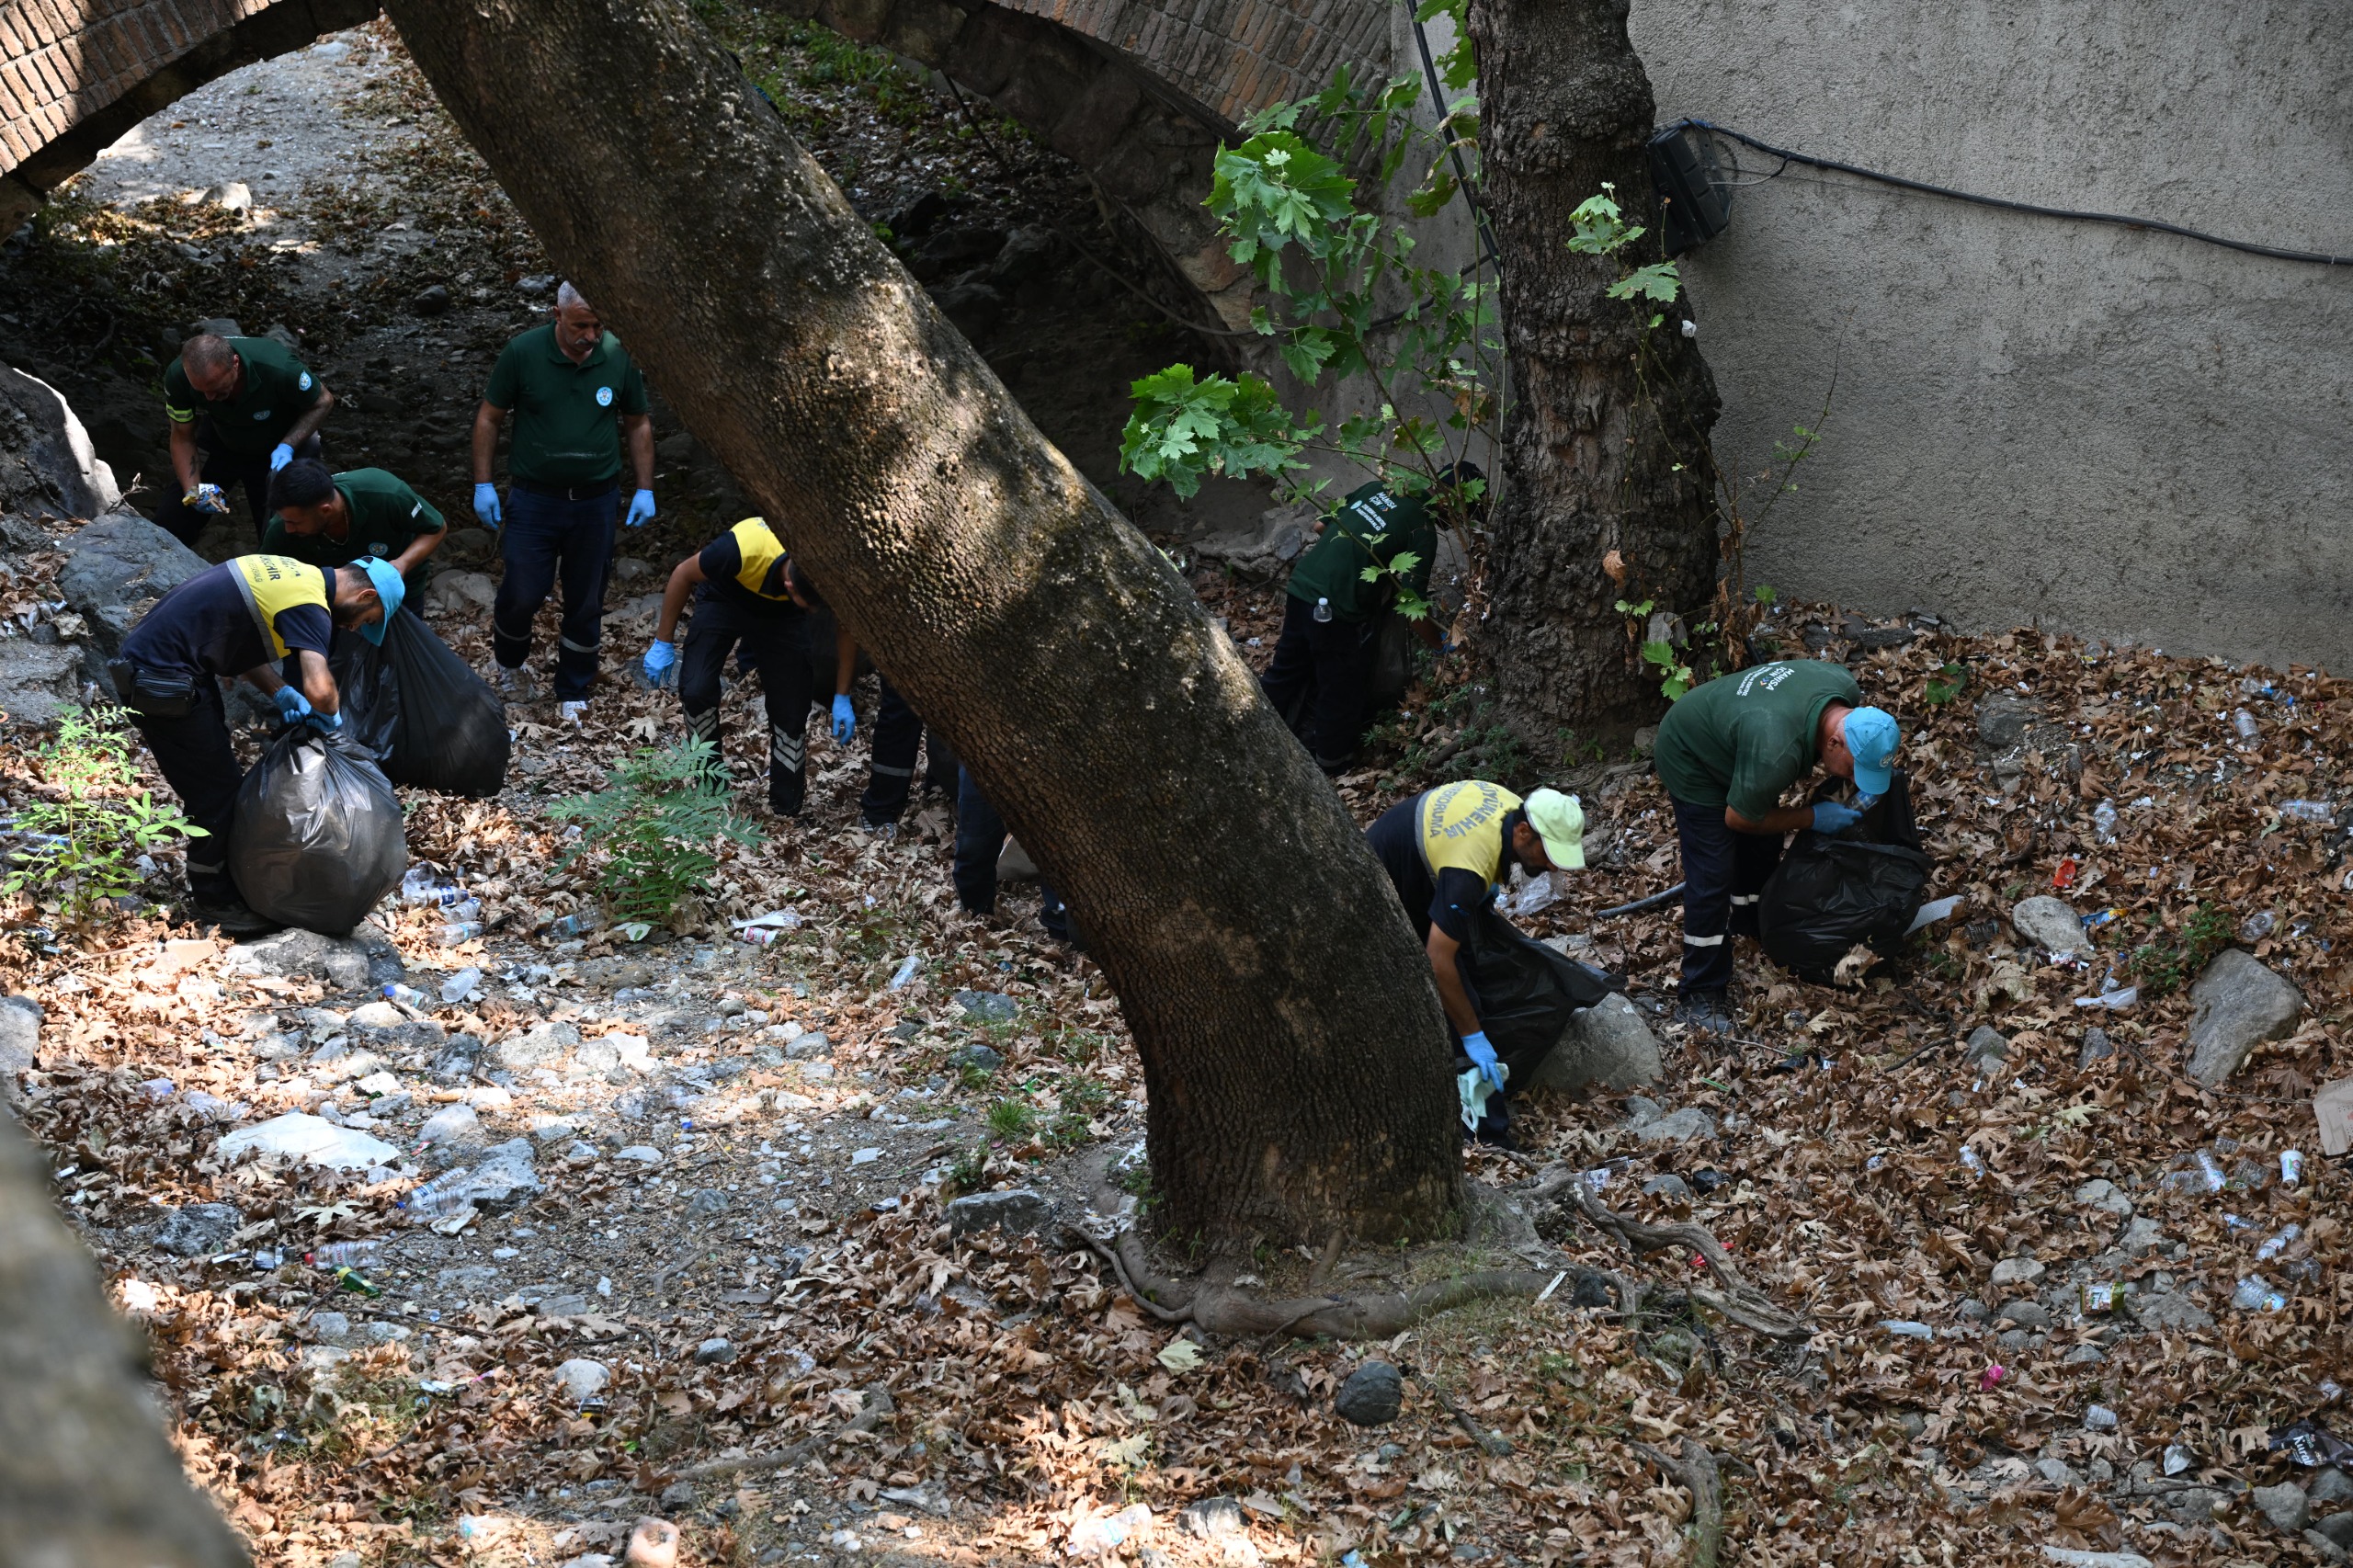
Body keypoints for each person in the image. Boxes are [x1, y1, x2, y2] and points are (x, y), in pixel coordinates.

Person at [109, 554, 404, 934]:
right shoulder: (311, 604)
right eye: (365, 620)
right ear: (365, 596)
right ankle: (215, 901)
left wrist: (281, 692)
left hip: (166, 670)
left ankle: (228, 886)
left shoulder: (293, 573)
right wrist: (332, 719)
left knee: (219, 786)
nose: (352, 628)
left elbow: (237, 641)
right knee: (216, 795)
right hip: (163, 679)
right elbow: (319, 686)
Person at [1652, 661, 1902, 1034]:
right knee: (1713, 872)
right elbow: (1737, 819)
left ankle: (1751, 926)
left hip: (1743, 737)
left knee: (1764, 839)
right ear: (1833, 742)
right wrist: (1812, 817)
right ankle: (1699, 993)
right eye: (1852, 769)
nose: (1853, 779)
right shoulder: (1776, 750)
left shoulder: (1843, 688)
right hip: (1691, 754)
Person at [472, 282, 655, 723]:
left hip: (595, 501)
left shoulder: (616, 354)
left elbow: (637, 422)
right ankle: (512, 666)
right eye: (580, 326)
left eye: (597, 325)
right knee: (522, 592)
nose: (590, 336)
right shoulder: (523, 353)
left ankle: (573, 686)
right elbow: (489, 417)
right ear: (557, 314)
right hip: (535, 499)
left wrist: (645, 487)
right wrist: (483, 484)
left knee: (586, 596)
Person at [1365, 778, 1586, 1145]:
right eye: (1549, 854)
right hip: (1390, 878)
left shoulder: (1516, 805)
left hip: (1424, 859)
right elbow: (1437, 960)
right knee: (1457, 1006)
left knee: (1476, 974)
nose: (1550, 866)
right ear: (1523, 832)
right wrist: (1473, 1035)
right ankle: (1487, 1137)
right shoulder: (1467, 869)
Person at [1261, 465, 1465, 774]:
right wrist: (1440, 644)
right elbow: (1411, 605)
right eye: (1463, 510)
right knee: (1340, 689)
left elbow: (1320, 525)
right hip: (1337, 609)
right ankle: (1331, 766)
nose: (1458, 521)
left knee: (1286, 669)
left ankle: (1255, 731)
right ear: (1449, 500)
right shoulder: (1421, 529)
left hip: (1303, 585)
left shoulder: (1377, 488)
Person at [642, 517, 828, 816]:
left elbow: (846, 621)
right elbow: (682, 573)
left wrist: (843, 692)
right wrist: (663, 641)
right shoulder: (740, 548)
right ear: (791, 585)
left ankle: (786, 805)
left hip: (782, 615)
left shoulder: (821, 558)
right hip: (725, 595)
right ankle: (710, 786)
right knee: (696, 687)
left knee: (792, 707)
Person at [160, 332, 335, 547]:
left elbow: (323, 401)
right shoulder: (179, 376)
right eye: (201, 391)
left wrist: (288, 446)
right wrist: (193, 491)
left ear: (235, 364)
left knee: (285, 534)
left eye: (216, 388)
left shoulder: (278, 368)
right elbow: (182, 436)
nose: (209, 398)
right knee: (172, 519)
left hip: (281, 444)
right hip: (223, 437)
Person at [260, 460, 447, 597]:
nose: (289, 529)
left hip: (398, 587)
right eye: (284, 520)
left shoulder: (385, 494)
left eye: (294, 523)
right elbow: (262, 579)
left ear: (325, 510)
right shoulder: (281, 529)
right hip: (328, 598)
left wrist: (402, 564)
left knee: (400, 646)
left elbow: (435, 528)